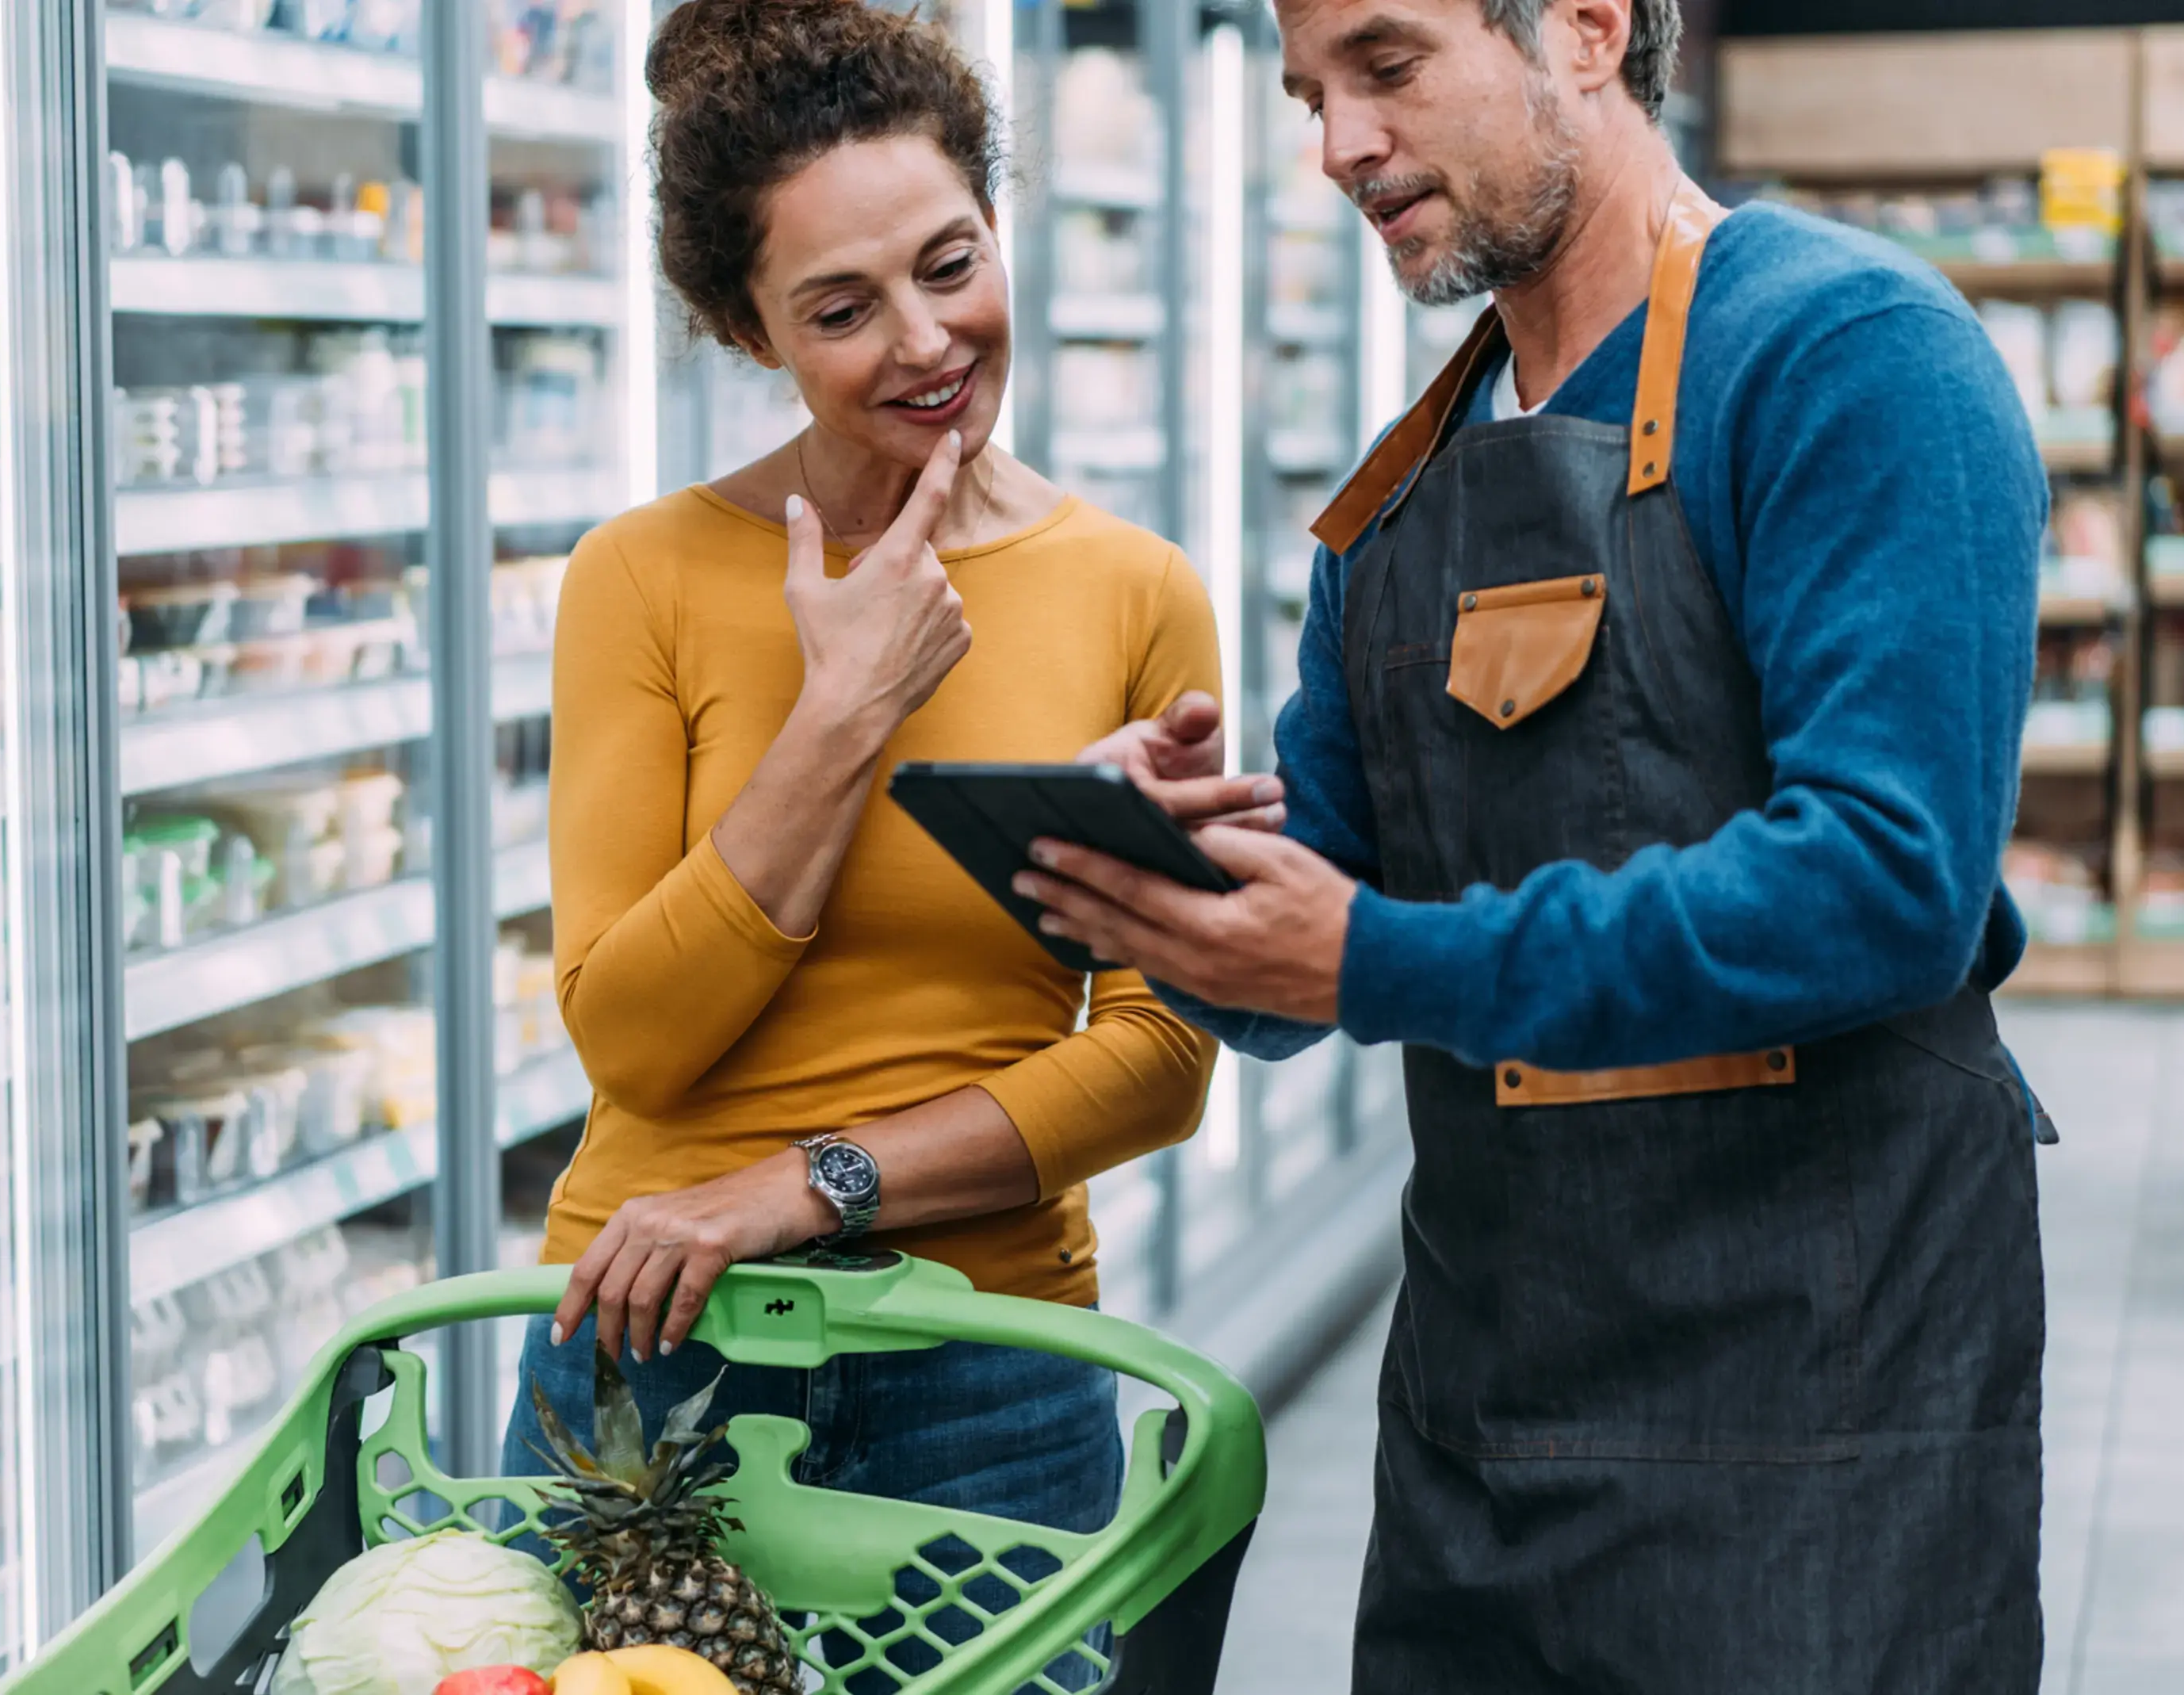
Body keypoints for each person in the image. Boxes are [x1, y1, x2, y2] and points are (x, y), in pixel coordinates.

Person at [1027, 0, 2053, 1689]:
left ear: (1584, 30)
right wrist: (1144, 871)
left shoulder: (1846, 354)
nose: (1337, 144)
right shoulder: (1399, 496)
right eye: (1308, 94)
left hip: (1819, 1408)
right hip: (1483, 1416)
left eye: (1387, 66)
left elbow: (1888, 883)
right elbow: (1299, 968)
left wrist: (1372, 957)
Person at [507, 0, 1257, 1593]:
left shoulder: (1134, 590)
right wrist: (843, 710)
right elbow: (631, 1035)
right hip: (651, 1359)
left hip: (983, 1363)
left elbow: (1159, 1058)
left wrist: (802, 1186)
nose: (925, 342)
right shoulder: (638, 580)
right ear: (748, 330)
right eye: (840, 307)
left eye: (951, 261)